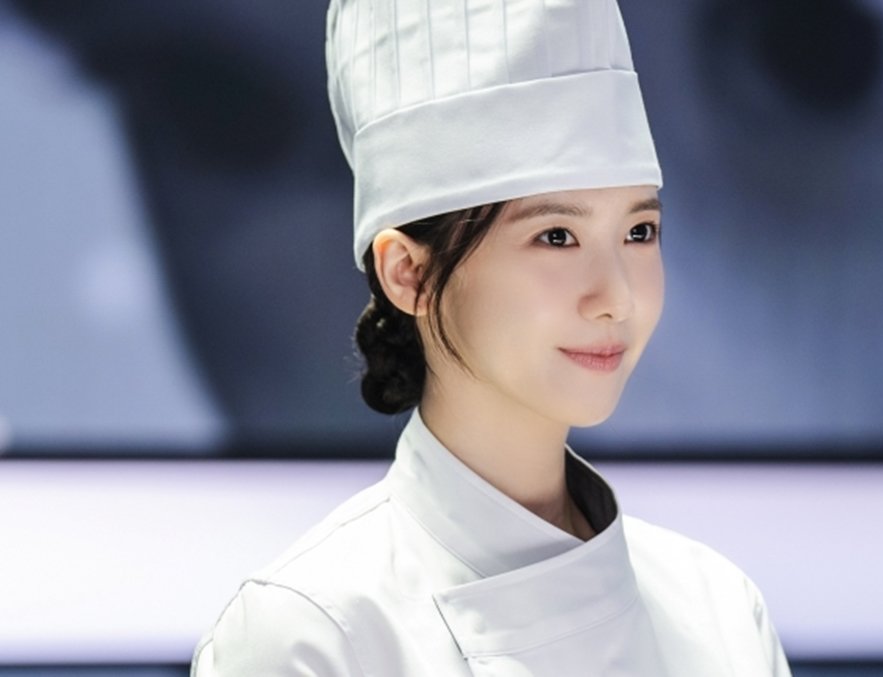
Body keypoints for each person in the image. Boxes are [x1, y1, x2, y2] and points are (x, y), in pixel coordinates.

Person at [192, 0, 792, 674]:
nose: (616, 297)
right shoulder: (311, 633)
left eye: (638, 231)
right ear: (409, 273)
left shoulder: (718, 609)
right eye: (556, 236)